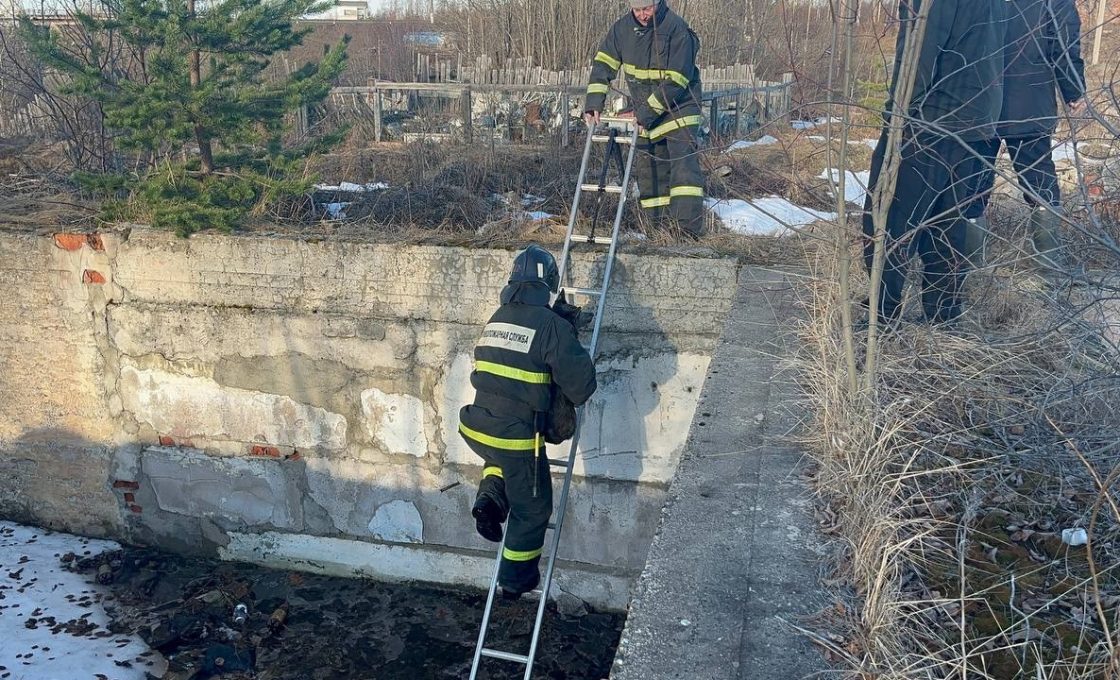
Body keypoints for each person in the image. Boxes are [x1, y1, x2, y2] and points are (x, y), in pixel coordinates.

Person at [458, 245, 597, 599]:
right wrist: (568, 333)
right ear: (548, 283)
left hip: (479, 427)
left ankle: (488, 502)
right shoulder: (551, 325)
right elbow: (582, 387)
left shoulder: (498, 316)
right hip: (516, 436)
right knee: (532, 507)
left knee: (502, 463)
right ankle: (515, 581)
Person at [862, 0, 1005, 324]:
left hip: (928, 122)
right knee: (947, 227)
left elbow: (917, 58)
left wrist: (896, 117)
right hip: (974, 124)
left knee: (888, 221)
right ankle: (944, 319)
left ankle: (880, 321)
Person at [963, 0, 1086, 271]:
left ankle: (970, 271)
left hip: (979, 103)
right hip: (1029, 103)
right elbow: (1063, 44)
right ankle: (1047, 268)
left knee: (973, 183)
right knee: (1039, 181)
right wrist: (1073, 89)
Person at [583, 0, 706, 237]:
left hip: (679, 109)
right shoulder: (621, 30)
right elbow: (602, 65)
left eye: (647, 9)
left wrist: (643, 113)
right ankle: (656, 233)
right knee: (650, 173)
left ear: (659, 3)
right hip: (645, 112)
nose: (643, 15)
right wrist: (593, 102)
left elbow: (677, 81)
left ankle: (685, 235)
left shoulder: (677, 29)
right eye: (637, 10)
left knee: (683, 174)